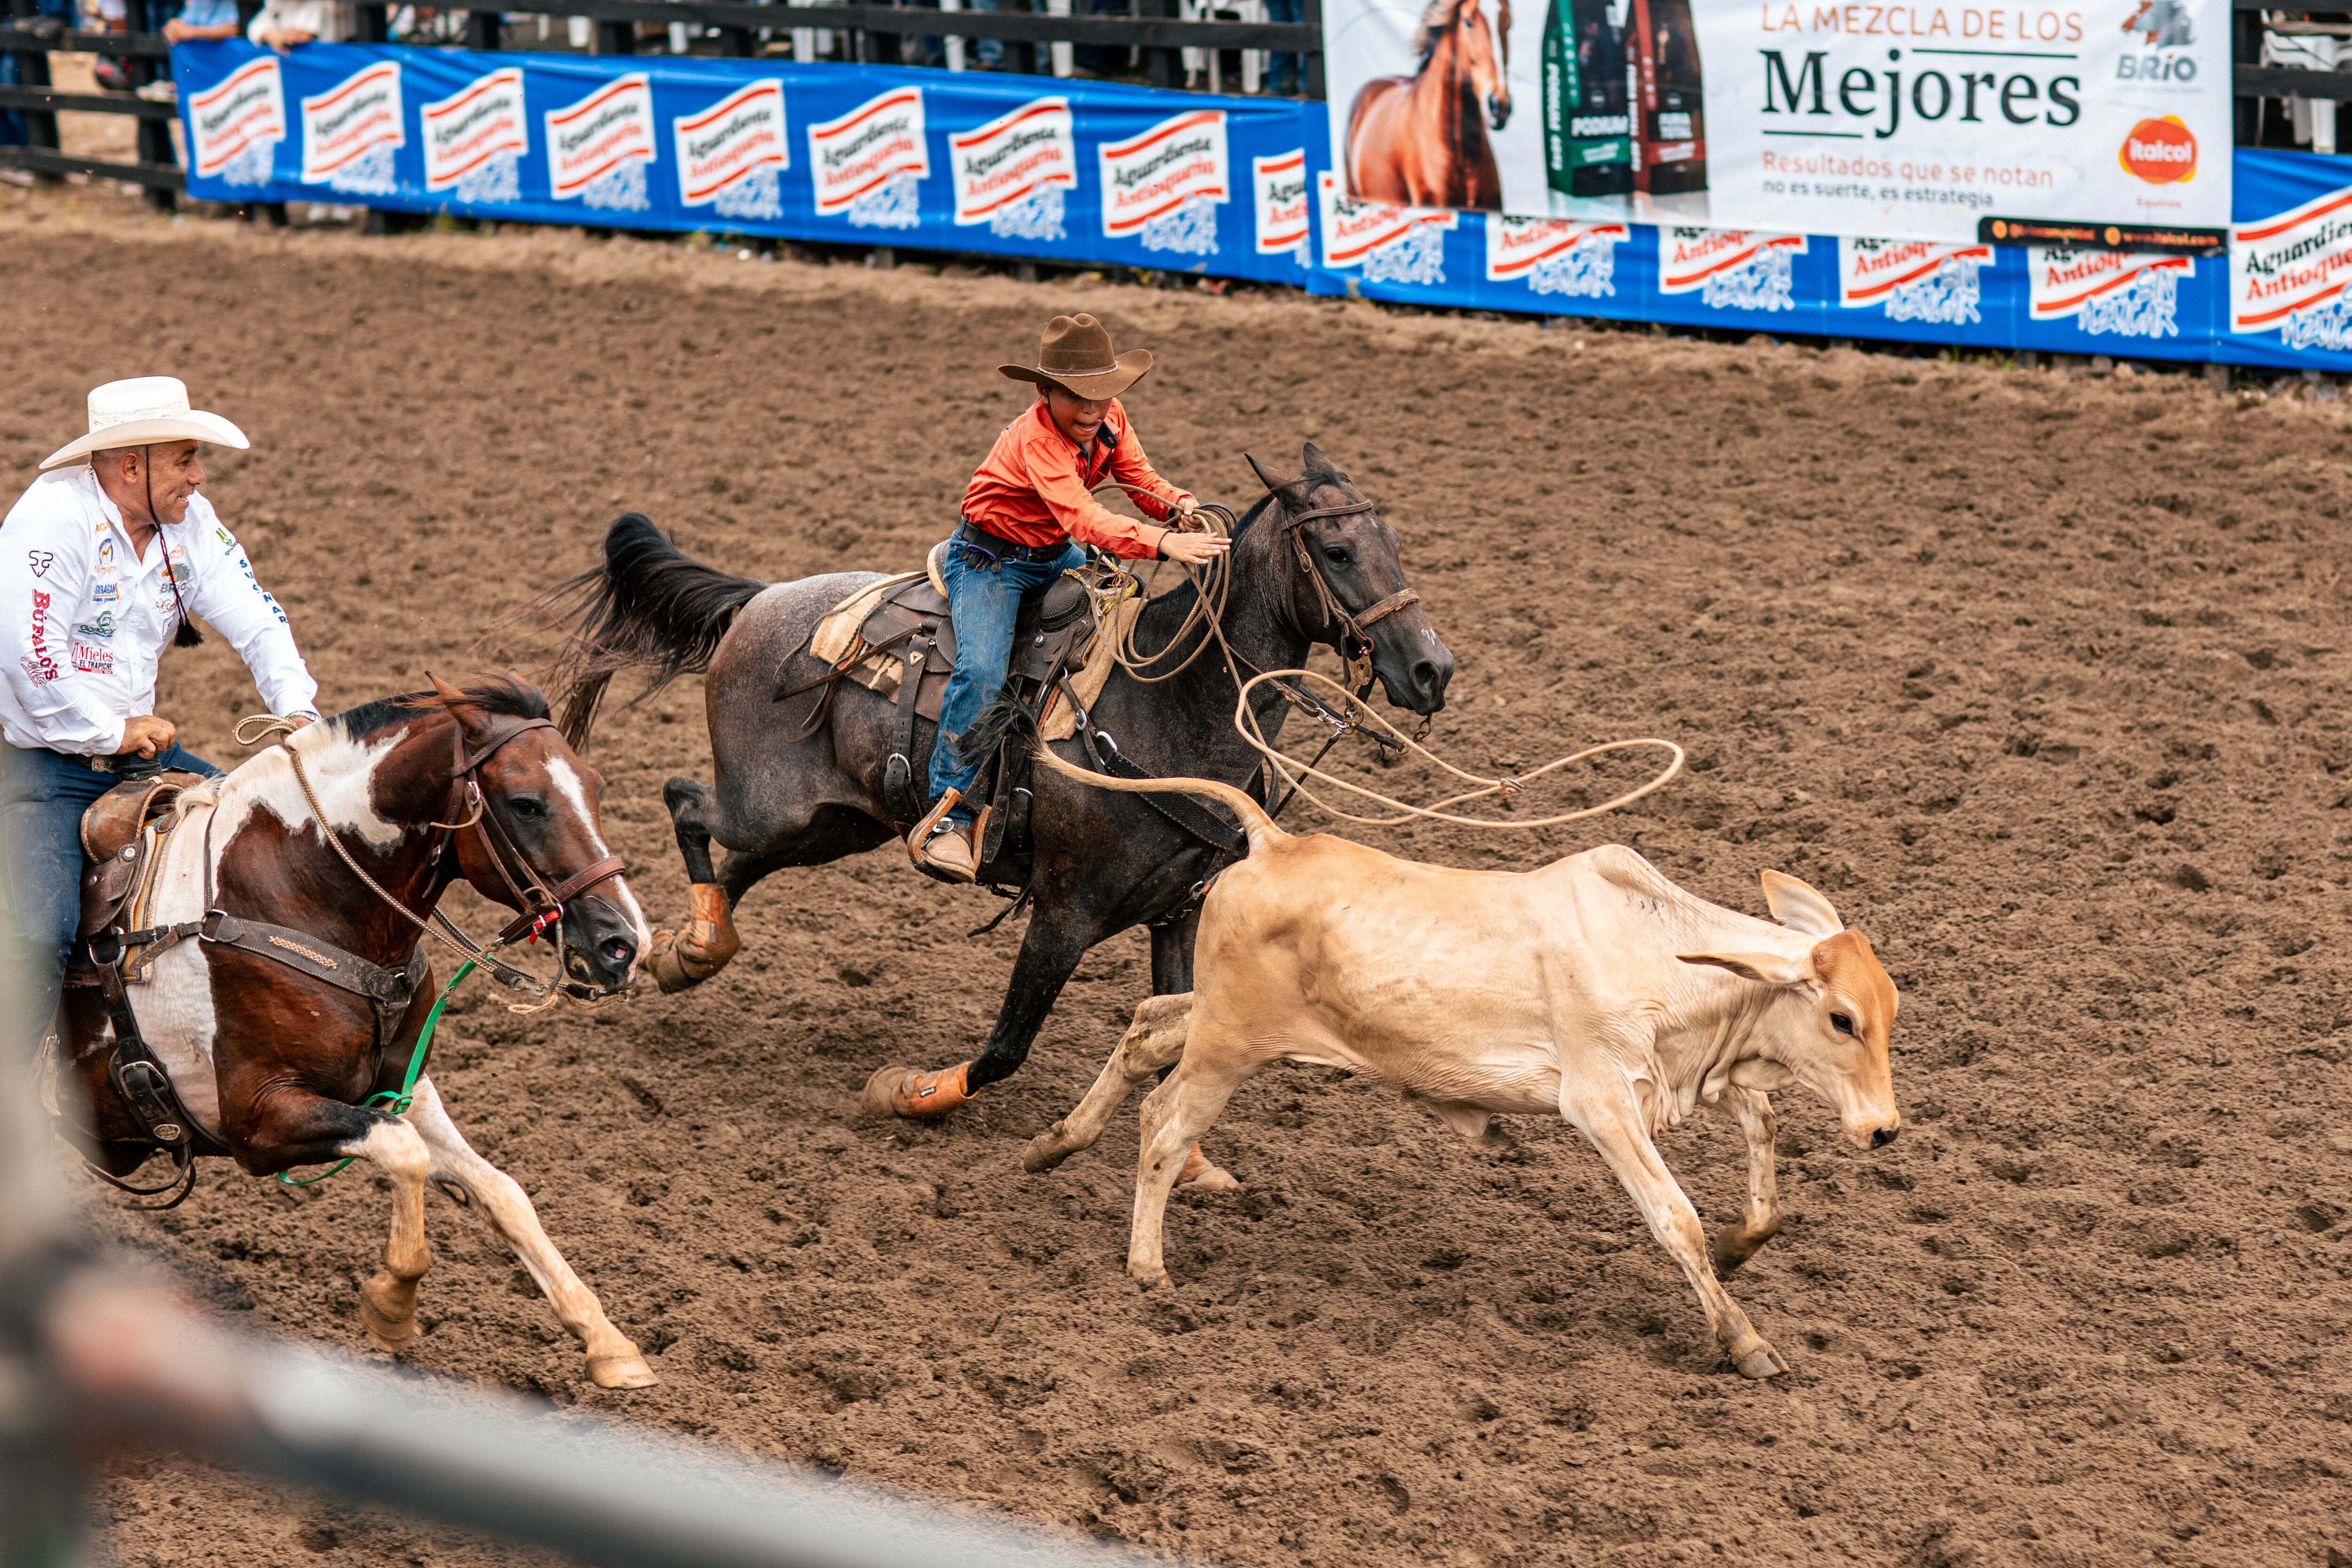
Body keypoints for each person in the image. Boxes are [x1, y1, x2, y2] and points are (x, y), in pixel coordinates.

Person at [1, 377, 322, 1067]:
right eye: (184, 459)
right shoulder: (51, 524)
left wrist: (296, 710)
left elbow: (256, 615)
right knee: (41, 936)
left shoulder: (190, 523)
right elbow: (29, 656)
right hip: (40, 768)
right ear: (130, 464)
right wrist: (111, 733)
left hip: (136, 758)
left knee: (265, 846)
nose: (197, 476)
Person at [909, 313, 1227, 883]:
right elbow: (1083, 516)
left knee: (1126, 614)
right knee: (981, 669)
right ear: (1044, 392)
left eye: (1102, 396)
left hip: (1052, 554)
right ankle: (946, 816)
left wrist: (1180, 505)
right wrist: (1163, 542)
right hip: (991, 563)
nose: (1091, 411)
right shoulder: (1036, 439)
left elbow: (1139, 480)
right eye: (1076, 398)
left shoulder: (1109, 419)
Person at [245, 0, 348, 49]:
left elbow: (298, 37)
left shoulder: (320, 5)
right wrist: (270, 35)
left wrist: (281, 37)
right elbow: (253, 28)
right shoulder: (279, 5)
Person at [163, 0, 244, 42]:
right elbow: (181, 25)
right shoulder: (197, 4)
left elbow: (232, 30)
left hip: (223, 64)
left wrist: (192, 32)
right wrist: (172, 30)